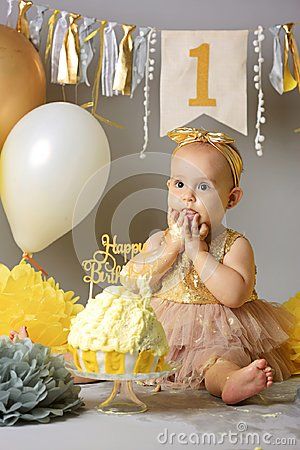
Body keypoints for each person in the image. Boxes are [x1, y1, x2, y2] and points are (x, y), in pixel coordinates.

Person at [120, 126, 297, 405]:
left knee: (217, 361)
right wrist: (173, 247)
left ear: (231, 198)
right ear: (168, 187)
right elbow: (133, 279)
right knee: (120, 351)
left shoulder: (234, 245)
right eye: (179, 185)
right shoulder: (160, 240)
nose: (188, 196)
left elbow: (234, 296)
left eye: (203, 187)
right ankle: (71, 369)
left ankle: (230, 382)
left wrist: (198, 252)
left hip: (220, 332)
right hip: (163, 331)